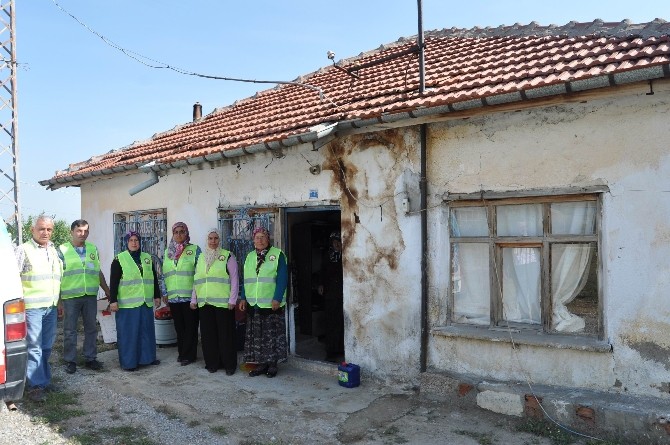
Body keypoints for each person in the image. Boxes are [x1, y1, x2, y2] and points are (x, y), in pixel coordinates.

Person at [14, 216, 62, 402]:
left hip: (50, 307)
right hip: (32, 307)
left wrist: (59, 303)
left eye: (49, 229)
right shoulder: (23, 250)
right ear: (33, 230)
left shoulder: (53, 250)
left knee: (47, 346)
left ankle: (43, 380)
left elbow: (56, 278)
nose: (45, 233)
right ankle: (35, 385)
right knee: (34, 347)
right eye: (42, 229)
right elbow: (14, 278)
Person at [58, 219, 111, 374]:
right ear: (72, 232)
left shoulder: (93, 249)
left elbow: (98, 272)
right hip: (70, 297)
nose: (83, 234)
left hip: (89, 296)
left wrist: (107, 291)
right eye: (79, 231)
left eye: (86, 231)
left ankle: (90, 358)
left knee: (91, 328)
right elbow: (57, 275)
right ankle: (70, 361)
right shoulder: (62, 250)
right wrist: (59, 300)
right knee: (70, 330)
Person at [239, 227, 288, 378]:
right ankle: (261, 363)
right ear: (253, 240)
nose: (259, 240)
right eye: (257, 237)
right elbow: (246, 280)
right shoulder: (249, 257)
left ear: (268, 239)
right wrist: (243, 297)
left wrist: (277, 298)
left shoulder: (277, 255)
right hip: (254, 303)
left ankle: (272, 364)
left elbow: (282, 279)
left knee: (271, 335)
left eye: (262, 237)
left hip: (271, 303)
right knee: (257, 336)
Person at [108, 231, 161, 371]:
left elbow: (153, 278)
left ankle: (148, 358)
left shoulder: (147, 258)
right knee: (129, 334)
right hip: (127, 304)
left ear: (140, 242)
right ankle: (130, 363)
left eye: (136, 240)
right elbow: (113, 282)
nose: (134, 242)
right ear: (126, 242)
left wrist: (157, 295)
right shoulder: (119, 259)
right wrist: (113, 301)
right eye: (131, 240)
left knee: (146, 331)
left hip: (145, 302)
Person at [190, 228, 239, 375]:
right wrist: (194, 299)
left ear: (220, 240)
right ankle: (212, 364)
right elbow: (197, 279)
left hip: (223, 304)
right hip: (205, 303)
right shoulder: (201, 257)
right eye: (210, 238)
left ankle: (229, 365)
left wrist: (233, 299)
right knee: (208, 336)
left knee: (225, 335)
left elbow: (235, 279)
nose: (213, 241)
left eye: (216, 238)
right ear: (207, 240)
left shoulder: (227, 256)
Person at [162, 222, 201, 366]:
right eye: (176, 232)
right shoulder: (167, 252)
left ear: (186, 233)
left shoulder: (195, 250)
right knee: (179, 328)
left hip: (190, 296)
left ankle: (189, 355)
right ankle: (182, 353)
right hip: (173, 297)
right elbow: (164, 274)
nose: (179, 234)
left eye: (182, 231)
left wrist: (195, 295)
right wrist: (164, 292)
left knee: (190, 327)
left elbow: (199, 273)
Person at [319, 231, 344, 362]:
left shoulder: (346, 256)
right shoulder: (327, 256)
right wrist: (321, 284)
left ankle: (341, 348)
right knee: (331, 322)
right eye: (334, 242)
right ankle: (331, 350)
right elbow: (322, 272)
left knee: (341, 321)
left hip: (343, 294)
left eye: (338, 241)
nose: (336, 244)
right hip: (330, 294)